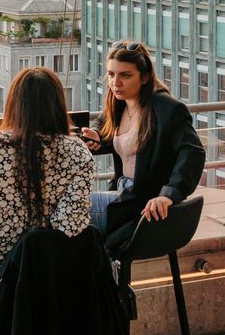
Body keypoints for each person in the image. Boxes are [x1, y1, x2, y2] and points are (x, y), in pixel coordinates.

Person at [0, 67, 94, 310]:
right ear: (58, 104)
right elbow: (70, 224)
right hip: (38, 264)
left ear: (14, 104)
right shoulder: (78, 152)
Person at [85, 40, 205, 251]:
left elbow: (193, 152)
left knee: (69, 211)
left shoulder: (166, 108)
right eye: (111, 74)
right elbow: (102, 123)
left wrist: (168, 195)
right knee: (65, 211)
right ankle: (98, 267)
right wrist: (97, 135)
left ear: (145, 77)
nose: (115, 83)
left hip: (139, 205)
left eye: (125, 75)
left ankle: (99, 268)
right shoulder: (120, 103)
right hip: (122, 194)